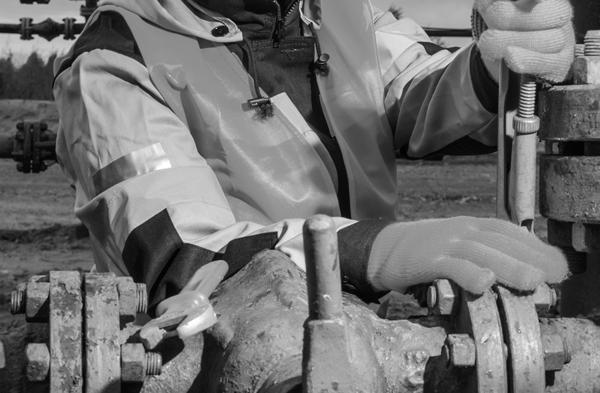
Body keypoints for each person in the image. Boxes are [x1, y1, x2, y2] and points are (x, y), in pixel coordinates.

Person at [53, 0, 573, 317]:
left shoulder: (341, 12)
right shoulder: (113, 62)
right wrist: (369, 251)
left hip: (372, 305)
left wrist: (492, 68)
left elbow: (416, 93)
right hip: (228, 337)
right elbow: (182, 254)